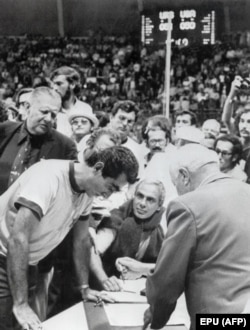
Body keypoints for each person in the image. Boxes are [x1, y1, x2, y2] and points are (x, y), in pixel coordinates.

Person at [0, 146, 139, 330]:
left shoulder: (88, 191)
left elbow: (81, 240)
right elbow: (19, 238)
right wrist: (21, 303)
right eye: (111, 187)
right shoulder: (48, 178)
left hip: (26, 262)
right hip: (6, 257)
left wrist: (84, 288)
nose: (109, 195)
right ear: (98, 168)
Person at [143, 144, 250, 330]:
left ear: (184, 176)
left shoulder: (187, 206)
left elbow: (167, 282)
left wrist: (156, 317)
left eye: (174, 184)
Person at [89, 179, 166, 292]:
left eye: (150, 200)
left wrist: (140, 271)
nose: (142, 204)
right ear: (133, 196)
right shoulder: (116, 218)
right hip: (104, 286)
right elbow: (92, 252)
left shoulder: (160, 229)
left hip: (135, 287)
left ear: (159, 206)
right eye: (139, 196)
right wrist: (104, 280)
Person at [0, 86, 77, 196]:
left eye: (53, 114)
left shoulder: (66, 146)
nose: (48, 119)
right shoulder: (4, 131)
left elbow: (69, 192)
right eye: (44, 111)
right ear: (27, 108)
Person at [108, 100, 144, 177]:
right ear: (111, 117)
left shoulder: (137, 149)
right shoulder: (95, 142)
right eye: (122, 118)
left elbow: (138, 180)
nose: (125, 124)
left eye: (130, 121)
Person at [51, 66, 89, 137]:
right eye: (53, 84)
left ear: (72, 84)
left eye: (59, 84)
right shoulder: (50, 111)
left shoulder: (85, 109)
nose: (54, 88)